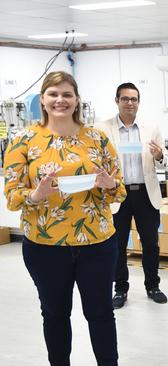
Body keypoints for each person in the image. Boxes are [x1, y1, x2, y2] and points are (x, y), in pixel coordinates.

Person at [3, 71, 127, 365]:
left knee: (100, 313)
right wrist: (36, 194)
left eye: (67, 94)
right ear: (42, 101)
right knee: (55, 314)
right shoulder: (23, 140)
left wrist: (109, 185)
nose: (61, 100)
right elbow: (11, 196)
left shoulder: (96, 138)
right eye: (53, 94)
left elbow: (119, 190)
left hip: (97, 242)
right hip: (45, 246)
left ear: (77, 100)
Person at [96, 82, 168, 308]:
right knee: (117, 245)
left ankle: (153, 285)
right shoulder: (102, 128)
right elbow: (95, 159)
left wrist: (158, 155)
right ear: (117, 101)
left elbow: (163, 161)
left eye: (134, 99)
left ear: (138, 102)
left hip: (145, 193)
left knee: (151, 244)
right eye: (125, 98)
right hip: (117, 195)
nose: (130, 103)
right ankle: (120, 289)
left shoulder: (151, 127)